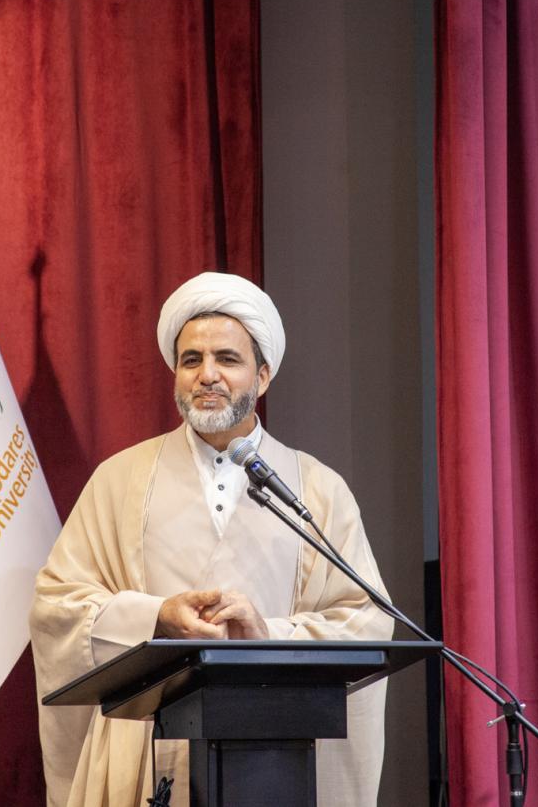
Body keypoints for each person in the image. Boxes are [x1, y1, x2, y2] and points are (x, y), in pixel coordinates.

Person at [30, 272, 393, 806]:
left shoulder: (319, 489)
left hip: (278, 754)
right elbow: (55, 608)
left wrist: (266, 635)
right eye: (191, 360)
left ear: (262, 376)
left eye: (227, 359)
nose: (207, 375)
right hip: (149, 755)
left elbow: (366, 622)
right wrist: (156, 616)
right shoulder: (119, 480)